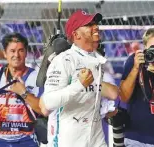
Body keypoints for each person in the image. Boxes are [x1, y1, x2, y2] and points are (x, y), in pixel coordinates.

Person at [40, 10, 119, 147]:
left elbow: (109, 94)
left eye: (95, 23)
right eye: (89, 25)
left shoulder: (97, 60)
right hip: (69, 141)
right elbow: (48, 103)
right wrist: (79, 85)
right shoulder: (64, 60)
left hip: (96, 138)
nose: (95, 27)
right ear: (76, 35)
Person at [0, 33, 47, 147]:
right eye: (12, 51)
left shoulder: (36, 77)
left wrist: (23, 93)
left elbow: (43, 109)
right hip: (0, 141)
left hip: (27, 140)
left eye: (21, 50)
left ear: (26, 53)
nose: (16, 55)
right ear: (5, 53)